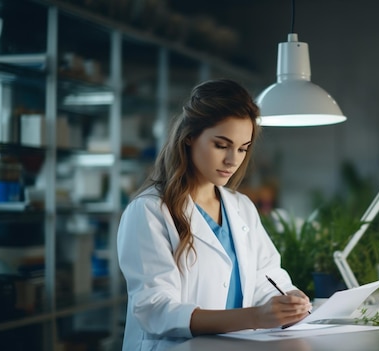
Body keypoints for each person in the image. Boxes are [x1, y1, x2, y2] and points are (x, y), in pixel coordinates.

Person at [117, 79, 311, 350]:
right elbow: (155, 309)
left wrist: (290, 298)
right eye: (222, 145)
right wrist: (255, 317)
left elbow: (267, 278)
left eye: (243, 148)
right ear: (189, 138)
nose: (233, 160)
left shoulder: (241, 206)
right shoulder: (149, 211)